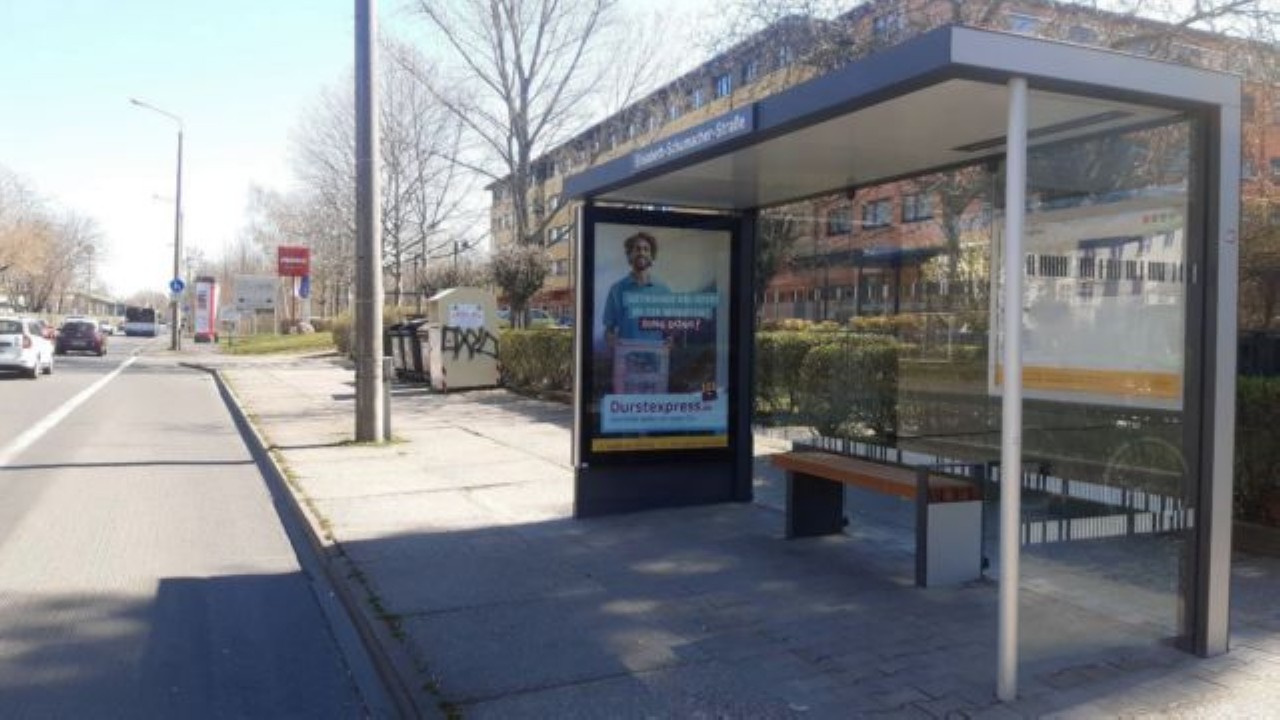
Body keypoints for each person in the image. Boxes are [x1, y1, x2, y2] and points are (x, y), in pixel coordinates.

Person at [601, 231, 671, 347]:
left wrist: (670, 340)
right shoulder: (616, 290)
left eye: (646, 249)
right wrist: (611, 339)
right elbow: (608, 331)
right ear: (629, 255)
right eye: (637, 249)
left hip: (656, 356)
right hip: (626, 356)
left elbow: (669, 332)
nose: (641, 252)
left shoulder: (664, 291)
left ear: (652, 256)